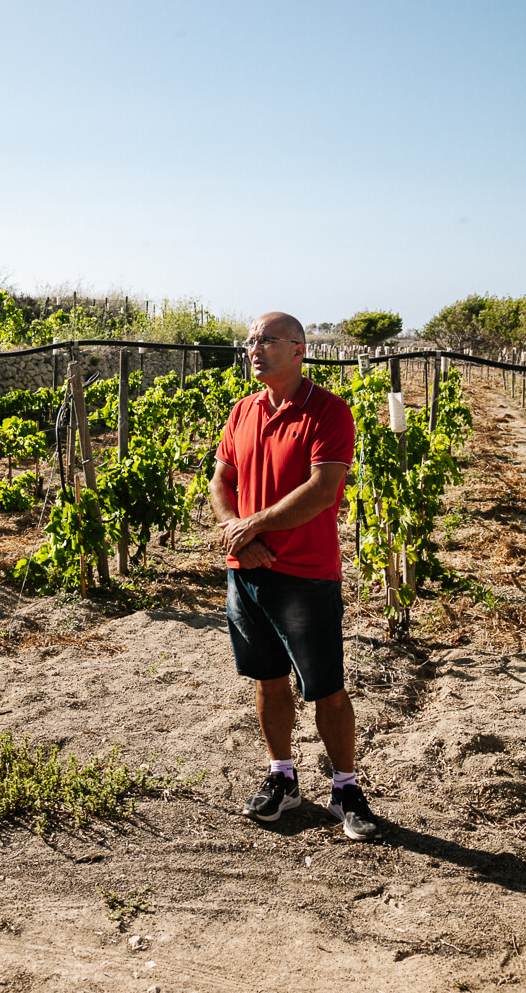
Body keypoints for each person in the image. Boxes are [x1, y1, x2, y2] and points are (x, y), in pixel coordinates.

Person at [209, 311, 380, 841]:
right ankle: (283, 778)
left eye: (266, 341)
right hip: (248, 574)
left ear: (299, 350)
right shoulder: (242, 411)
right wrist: (238, 531)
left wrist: (251, 527)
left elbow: (323, 490)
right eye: (250, 341)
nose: (253, 349)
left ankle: (346, 788)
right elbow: (221, 480)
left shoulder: (328, 411)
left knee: (326, 688)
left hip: (306, 575)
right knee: (267, 679)